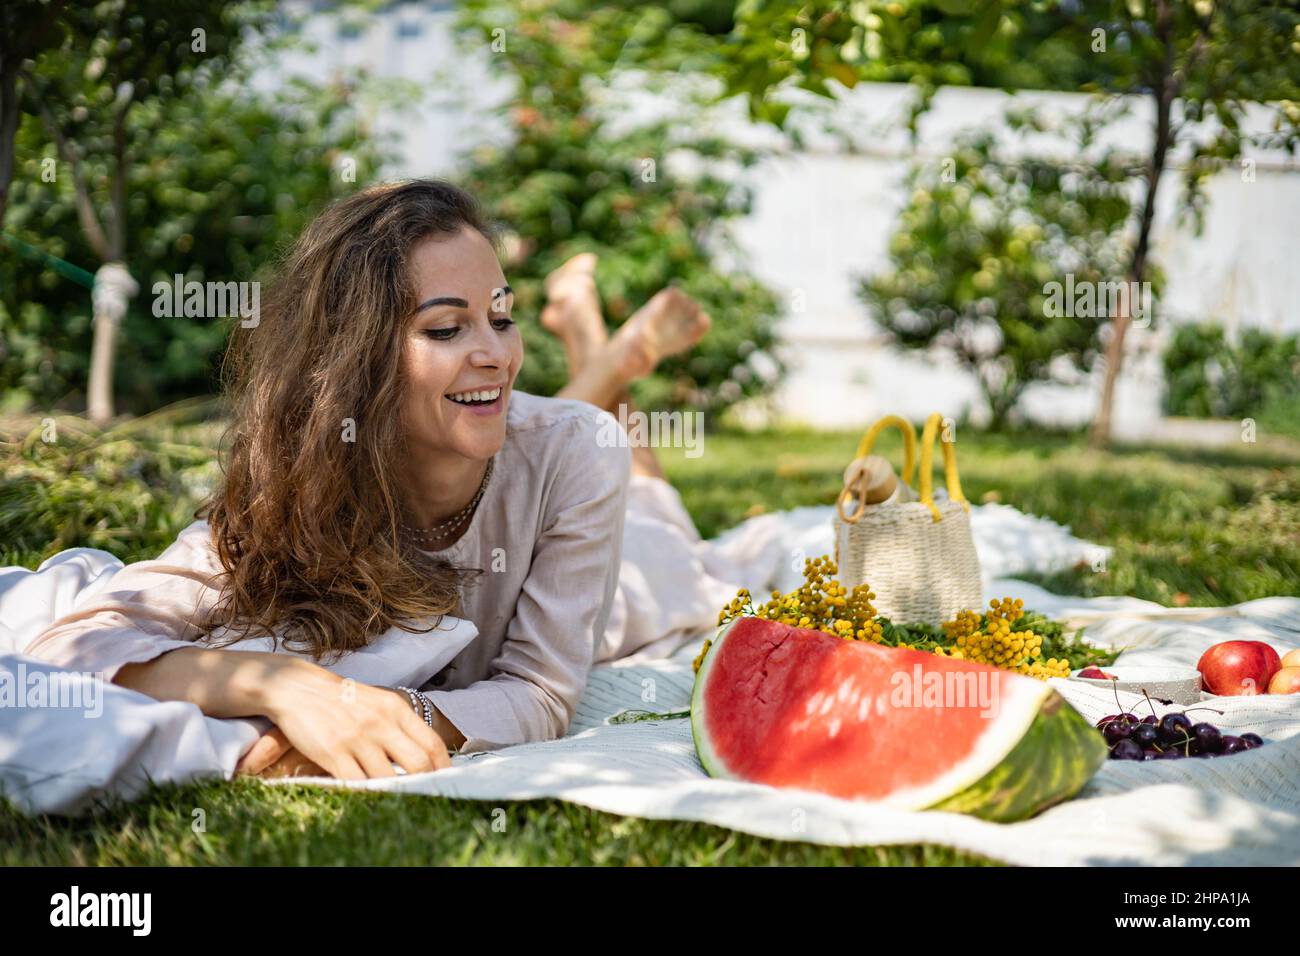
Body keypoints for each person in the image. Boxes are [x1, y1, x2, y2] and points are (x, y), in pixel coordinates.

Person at [23, 178, 727, 781]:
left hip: (641, 577)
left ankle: (605, 349)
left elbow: (539, 693)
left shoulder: (573, 456)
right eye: (446, 329)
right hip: (565, 443)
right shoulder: (299, 481)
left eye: (502, 317)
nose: (498, 353)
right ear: (358, 358)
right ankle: (595, 339)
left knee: (648, 498)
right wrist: (281, 685)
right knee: (576, 430)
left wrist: (381, 713)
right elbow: (72, 646)